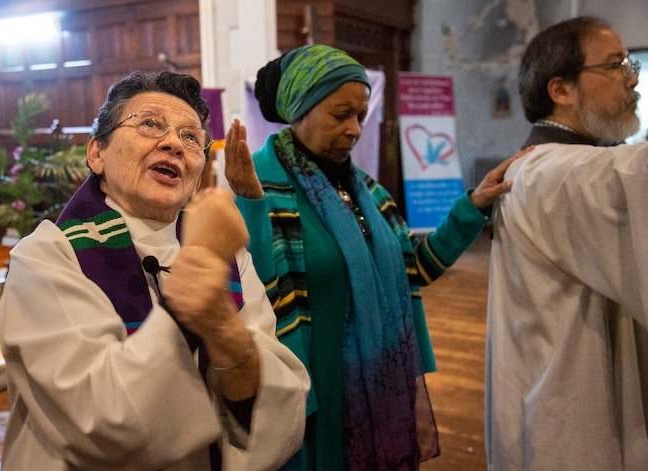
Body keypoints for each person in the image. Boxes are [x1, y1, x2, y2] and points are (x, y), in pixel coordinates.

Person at [223, 44, 521, 470]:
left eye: (360, 116)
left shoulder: (366, 189)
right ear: (299, 109)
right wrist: (249, 204)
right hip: (314, 390)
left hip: (380, 385)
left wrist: (471, 206)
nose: (355, 129)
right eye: (340, 114)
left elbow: (413, 268)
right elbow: (252, 296)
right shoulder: (260, 185)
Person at [0, 70, 310, 470]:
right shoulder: (45, 256)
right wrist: (187, 307)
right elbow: (100, 420)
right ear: (97, 153)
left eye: (191, 137)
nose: (174, 144)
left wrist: (225, 332)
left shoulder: (228, 257)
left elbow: (273, 409)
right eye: (150, 124)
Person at [485, 141, 648, 470]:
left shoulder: (532, 169)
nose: (632, 85)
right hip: (569, 409)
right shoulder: (552, 170)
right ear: (560, 89)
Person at [518, 16, 640, 148]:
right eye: (615, 65)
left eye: (627, 65)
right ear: (561, 91)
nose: (633, 80)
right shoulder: (558, 163)